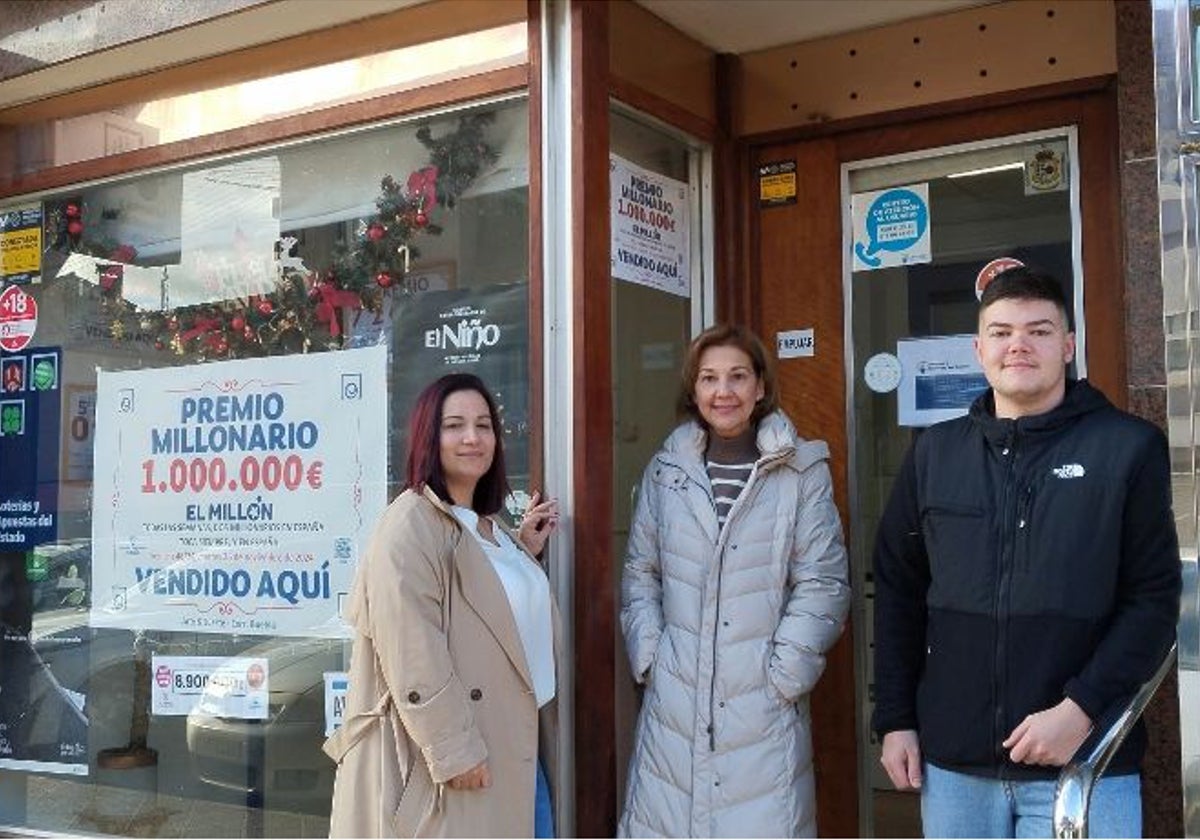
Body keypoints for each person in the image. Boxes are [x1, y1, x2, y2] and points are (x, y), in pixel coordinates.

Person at [872, 266, 1182, 838]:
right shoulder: (934, 455)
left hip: (1086, 763)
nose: (1018, 344)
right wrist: (894, 719)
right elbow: (899, 593)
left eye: (1039, 331)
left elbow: (1156, 600)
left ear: (1067, 346)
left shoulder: (1128, 448)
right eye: (1001, 331)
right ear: (978, 348)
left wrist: (1080, 710)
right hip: (955, 768)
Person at [618, 324, 851, 837]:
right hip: (674, 705)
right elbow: (641, 572)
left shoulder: (799, 471)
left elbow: (823, 583)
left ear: (760, 387)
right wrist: (653, 656)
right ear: (694, 390)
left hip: (761, 705)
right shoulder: (667, 470)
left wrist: (784, 675)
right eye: (709, 378)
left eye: (737, 377)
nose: (723, 392)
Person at [325, 372, 561, 837]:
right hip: (457, 759)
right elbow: (412, 648)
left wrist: (522, 551)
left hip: (519, 748)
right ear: (428, 437)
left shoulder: (486, 527)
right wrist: (454, 750)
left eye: (483, 425)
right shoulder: (409, 521)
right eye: (454, 425)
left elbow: (482, 600)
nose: (472, 438)